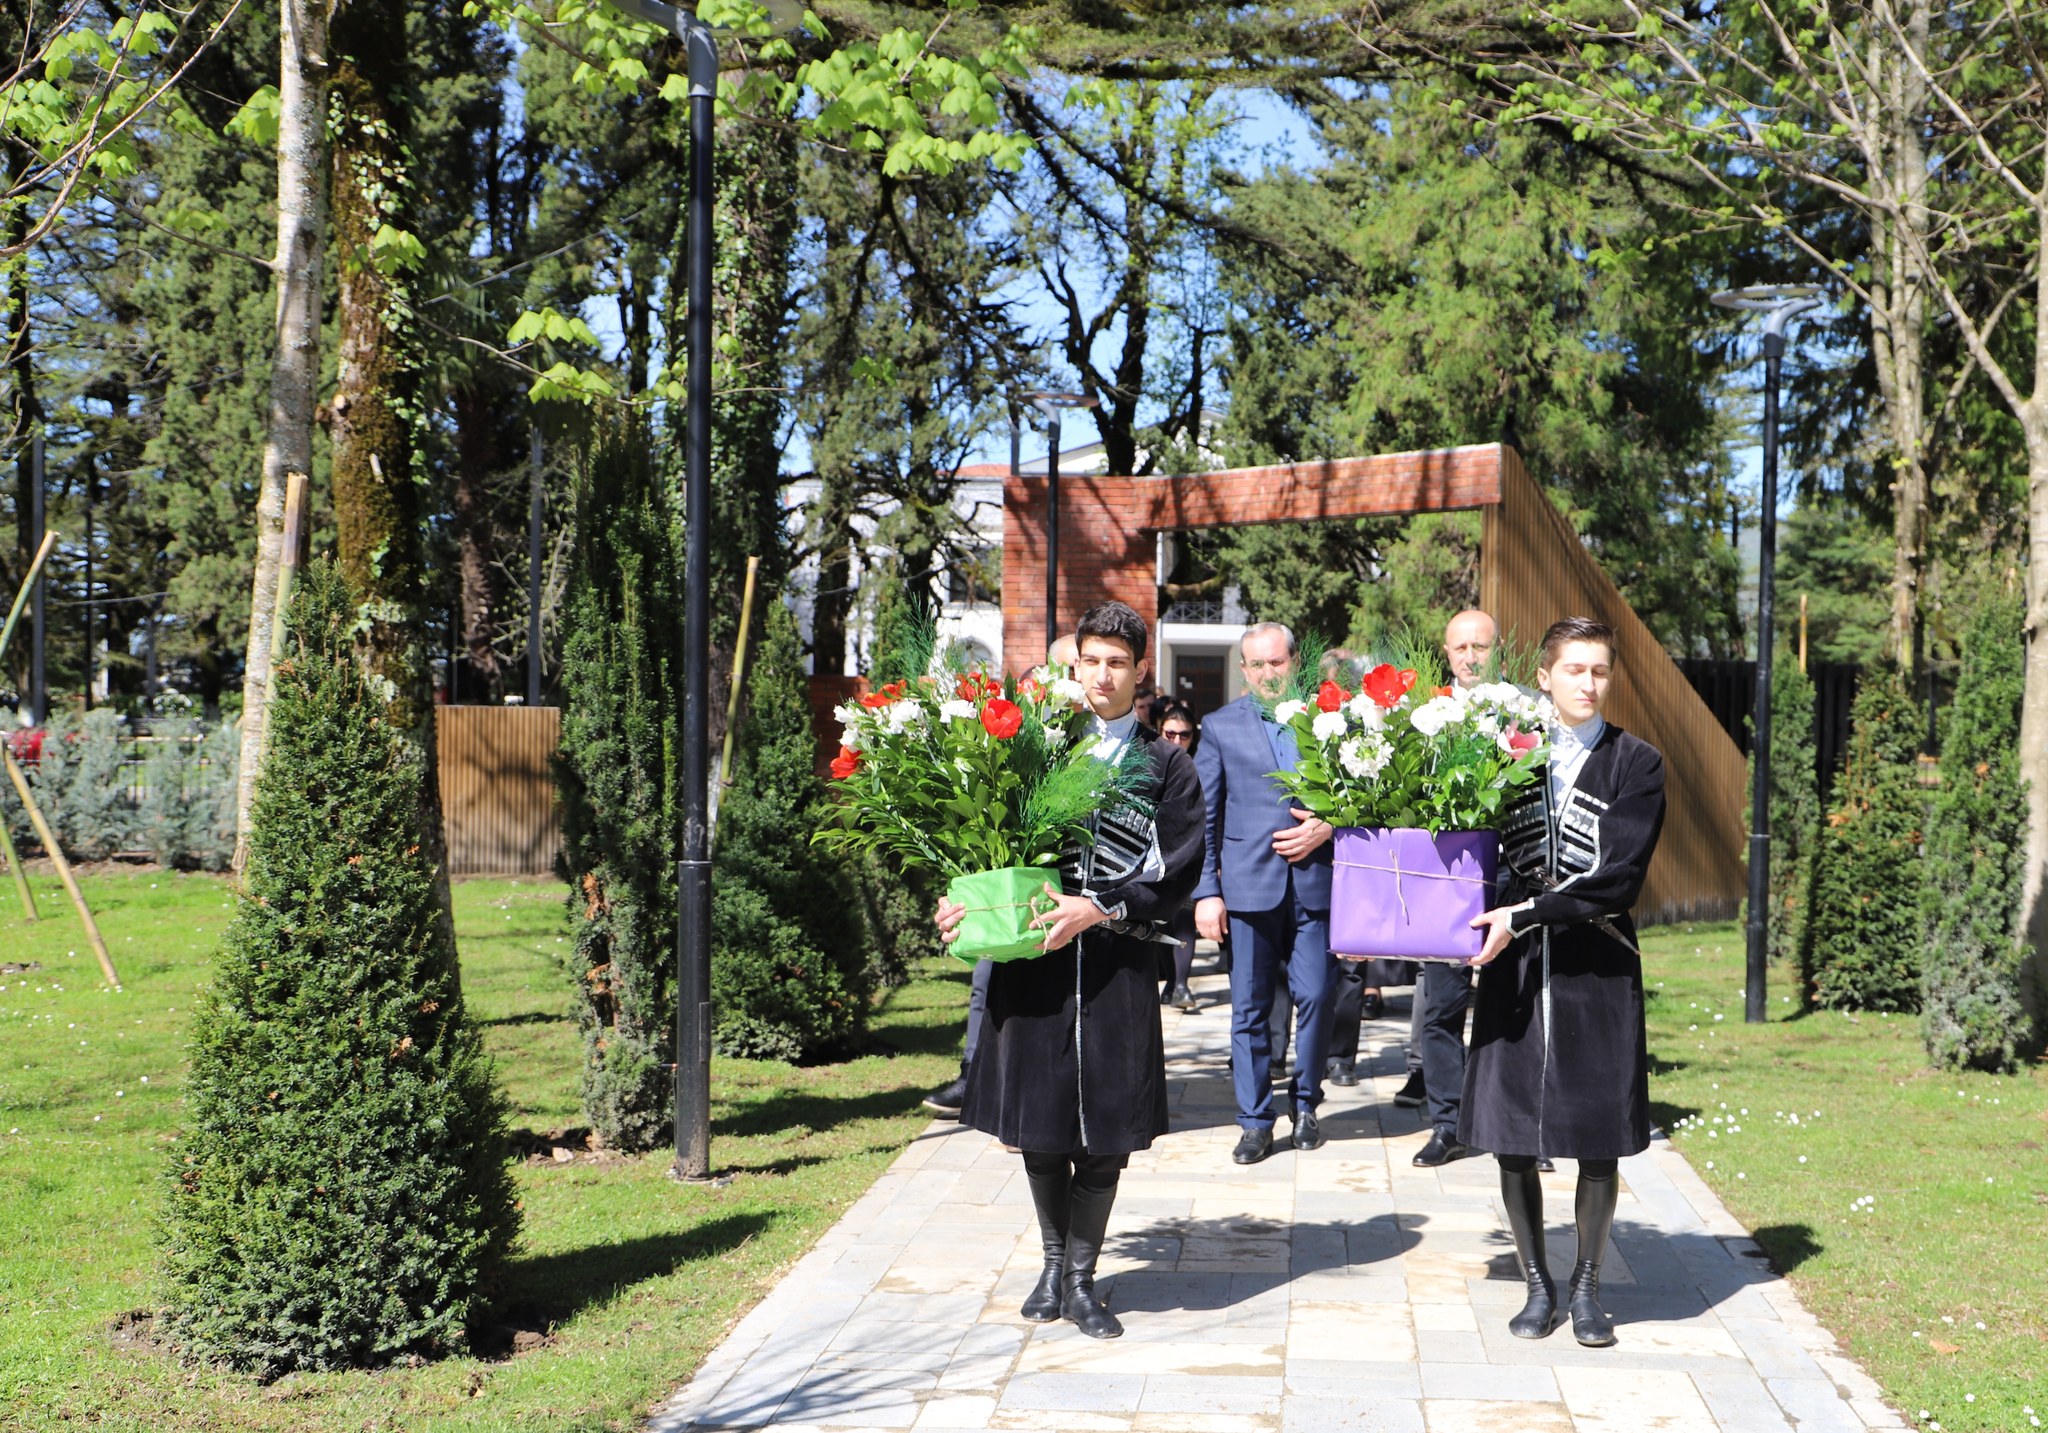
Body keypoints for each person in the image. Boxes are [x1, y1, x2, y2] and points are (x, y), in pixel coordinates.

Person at [935, 601, 1205, 1340]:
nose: (1102, 675)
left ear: (1141, 671)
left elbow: (1179, 869)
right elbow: (984, 846)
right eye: (1091, 661)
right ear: (1075, 665)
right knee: (1041, 1123)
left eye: (1118, 662)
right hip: (1035, 963)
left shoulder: (1167, 765)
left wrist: (1101, 907)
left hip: (1118, 968)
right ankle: (1053, 1265)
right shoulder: (1035, 748)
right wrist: (960, 901)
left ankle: (1082, 1281)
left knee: (1107, 1129)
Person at [1461, 616, 1666, 1349]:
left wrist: (1525, 913)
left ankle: (1585, 1287)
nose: (1588, 683)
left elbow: (1618, 879)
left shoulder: (1637, 763)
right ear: (1543, 677)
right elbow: (1467, 846)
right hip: (1513, 965)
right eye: (1574, 669)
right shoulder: (1503, 754)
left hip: (1597, 967)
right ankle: (1536, 1283)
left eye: (1600, 670)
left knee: (1596, 1137)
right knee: (1513, 1135)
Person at [923, 631, 1085, 1118]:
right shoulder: (1020, 730)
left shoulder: (1098, 743)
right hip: (1010, 886)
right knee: (987, 979)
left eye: (1078, 669)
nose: (1074, 679)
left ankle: (1036, 1101)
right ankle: (975, 1075)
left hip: (1072, 899)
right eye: (1066, 669)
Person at [1193, 622, 1337, 1165]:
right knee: (1249, 1009)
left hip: (1315, 883)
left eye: (1277, 662)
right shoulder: (1219, 726)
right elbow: (1205, 818)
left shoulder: (1330, 720)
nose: (1268, 673)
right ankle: (1255, 1120)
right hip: (1248, 887)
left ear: (1294, 662)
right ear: (1244, 670)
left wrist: (1329, 825)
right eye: (1257, 664)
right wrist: (1207, 892)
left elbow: (1362, 797)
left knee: (1317, 995)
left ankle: (1306, 1103)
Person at [1405, 608, 1498, 1168]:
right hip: (1445, 884)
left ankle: (1516, 1126)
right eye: (1460, 647)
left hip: (1508, 878)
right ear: (1446, 653)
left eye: (1479, 646)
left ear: (1496, 650)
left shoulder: (1523, 713)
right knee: (1440, 1008)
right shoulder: (1423, 717)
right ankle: (1450, 1123)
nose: (1470, 657)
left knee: (1510, 1008)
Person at [1153, 700, 1202, 1012]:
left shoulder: (1201, 766)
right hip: (1157, 855)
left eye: (1184, 735)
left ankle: (1182, 984)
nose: (1177, 740)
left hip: (1191, 852)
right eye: (1170, 734)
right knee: (1161, 921)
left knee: (1184, 919)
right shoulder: (1150, 762)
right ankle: (1171, 982)